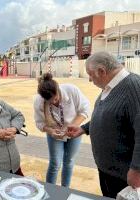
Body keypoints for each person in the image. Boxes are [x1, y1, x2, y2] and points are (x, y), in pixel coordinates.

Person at [66, 51, 140, 198]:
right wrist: (83, 128)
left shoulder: (134, 87)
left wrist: (137, 169)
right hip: (108, 171)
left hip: (124, 177)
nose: (89, 79)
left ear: (101, 71)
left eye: (90, 74)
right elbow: (110, 117)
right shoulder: (109, 87)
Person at [34, 73, 90, 187]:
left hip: (74, 131)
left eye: (56, 98)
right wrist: (50, 131)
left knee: (69, 162)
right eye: (50, 102)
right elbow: (39, 123)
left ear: (58, 89)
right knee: (55, 163)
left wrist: (73, 126)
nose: (55, 102)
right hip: (54, 133)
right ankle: (50, 190)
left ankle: (65, 189)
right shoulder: (39, 101)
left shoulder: (71, 90)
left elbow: (85, 110)